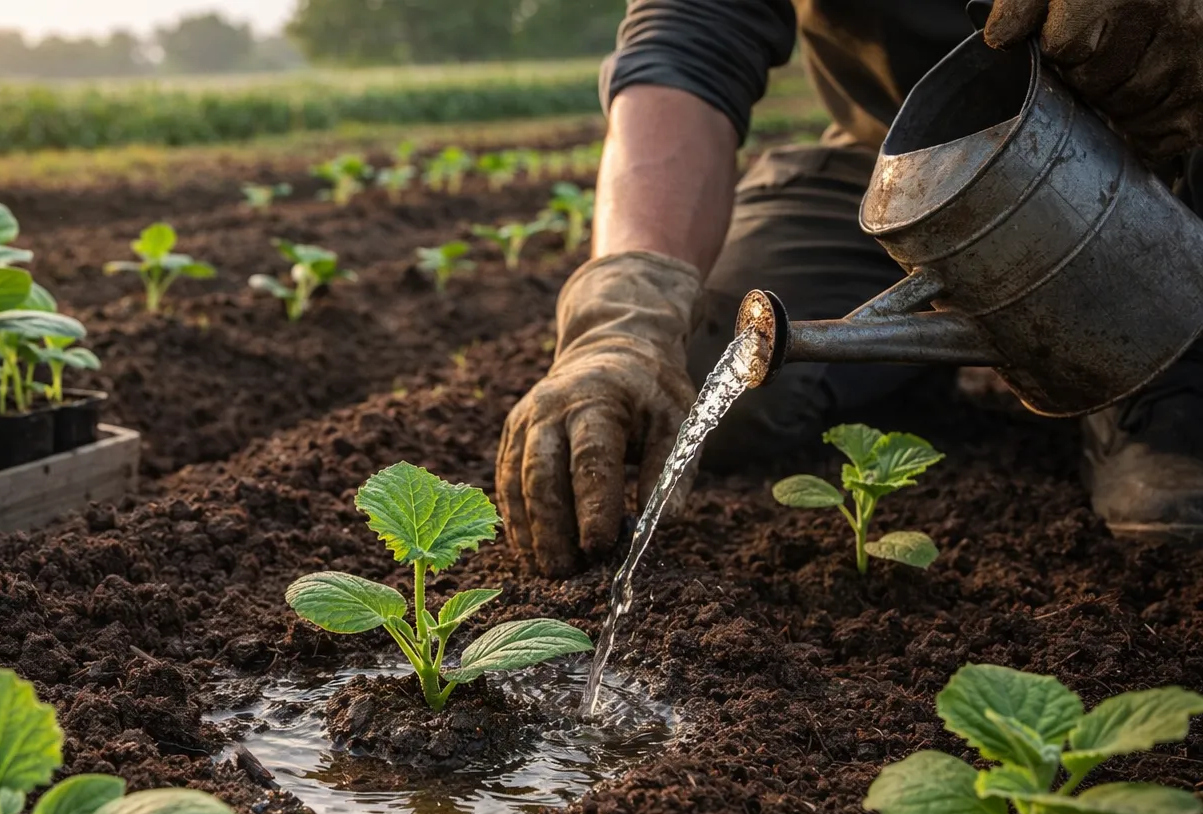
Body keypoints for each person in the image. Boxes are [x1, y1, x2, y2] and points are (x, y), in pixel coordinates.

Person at [497, 0, 1203, 577]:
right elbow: (690, 41)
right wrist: (623, 311)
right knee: (714, 365)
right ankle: (913, 366)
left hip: (1175, 146)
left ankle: (1170, 372)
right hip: (920, 177)